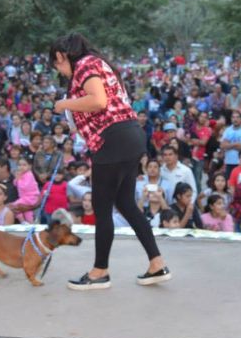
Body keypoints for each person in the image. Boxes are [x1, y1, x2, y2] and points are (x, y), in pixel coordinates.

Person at [51, 33, 169, 290]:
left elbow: (98, 101)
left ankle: (99, 272)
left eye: (57, 64)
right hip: (129, 137)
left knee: (101, 208)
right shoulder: (98, 64)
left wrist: (64, 104)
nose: (59, 70)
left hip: (113, 141)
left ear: (63, 55)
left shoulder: (85, 64)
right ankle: (156, 263)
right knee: (126, 204)